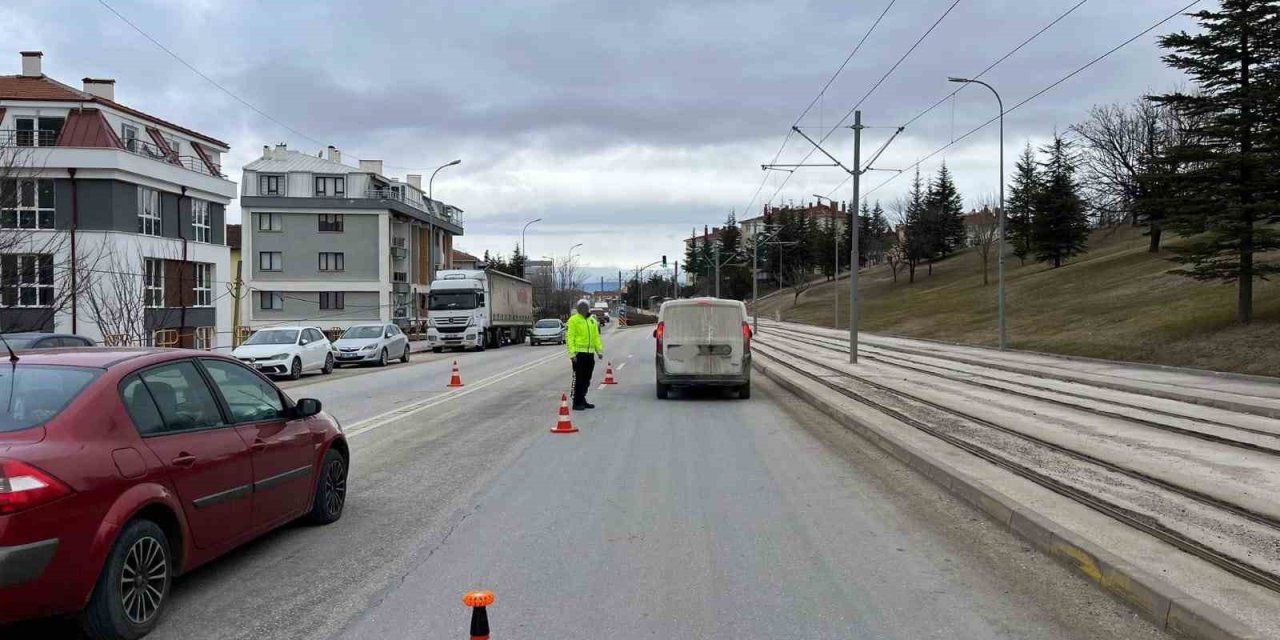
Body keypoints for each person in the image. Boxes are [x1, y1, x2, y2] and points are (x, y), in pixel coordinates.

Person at [566, 299, 604, 410]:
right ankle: (577, 402)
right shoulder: (573, 320)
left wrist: (599, 351)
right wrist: (572, 354)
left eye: (585, 307)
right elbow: (570, 337)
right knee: (579, 379)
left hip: (590, 354)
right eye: (581, 307)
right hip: (579, 355)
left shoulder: (592, 321)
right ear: (578, 308)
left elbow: (596, 337)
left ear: (588, 308)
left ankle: (582, 398)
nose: (583, 309)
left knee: (587, 378)